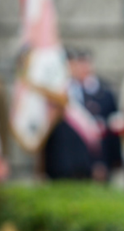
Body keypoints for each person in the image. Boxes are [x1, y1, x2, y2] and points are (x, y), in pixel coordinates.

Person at [43, 48, 119, 181]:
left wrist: (105, 162)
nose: (81, 68)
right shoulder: (61, 93)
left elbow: (109, 131)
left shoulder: (105, 93)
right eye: (77, 64)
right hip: (63, 164)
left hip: (94, 164)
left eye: (85, 64)